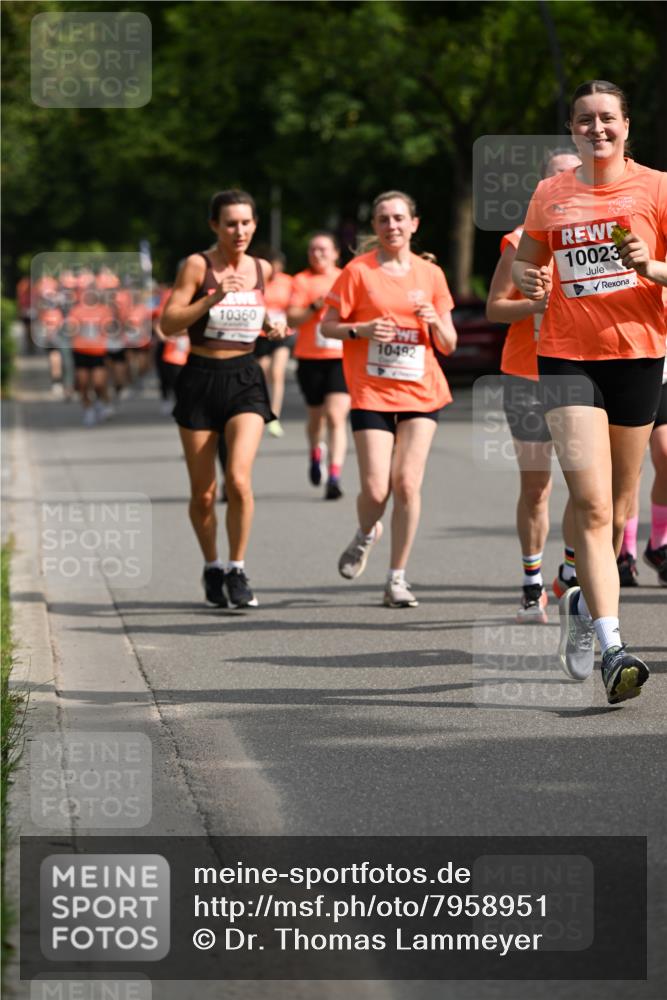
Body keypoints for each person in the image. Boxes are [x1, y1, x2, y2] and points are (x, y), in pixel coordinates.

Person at [512, 79, 667, 704]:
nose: (596, 128)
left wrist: (651, 267)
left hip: (637, 354)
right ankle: (613, 646)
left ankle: (579, 601)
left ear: (627, 126)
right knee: (595, 506)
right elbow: (527, 261)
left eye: (607, 118)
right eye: (584, 119)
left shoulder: (657, 187)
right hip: (566, 358)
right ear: (572, 129)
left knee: (620, 508)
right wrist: (530, 281)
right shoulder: (551, 192)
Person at [320, 190, 457, 606]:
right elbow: (327, 327)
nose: (392, 226)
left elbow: (449, 345)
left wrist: (434, 322)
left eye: (399, 218)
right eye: (383, 219)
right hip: (371, 391)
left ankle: (397, 578)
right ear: (375, 227)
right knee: (377, 490)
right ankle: (367, 532)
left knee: (407, 484)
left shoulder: (430, 275)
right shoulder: (357, 273)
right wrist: (360, 331)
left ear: (414, 224)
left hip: (421, 389)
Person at [161, 189, 288, 609]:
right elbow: (168, 323)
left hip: (245, 379)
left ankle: (237, 568)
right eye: (231, 223)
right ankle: (212, 565)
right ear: (215, 225)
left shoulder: (262, 268)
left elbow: (259, 314)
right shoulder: (198, 265)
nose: (240, 231)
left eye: (247, 223)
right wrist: (213, 296)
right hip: (200, 378)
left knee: (238, 479)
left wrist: (271, 325)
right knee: (203, 493)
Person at [487, 149, 581, 623]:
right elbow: (494, 308)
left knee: (585, 486)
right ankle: (531, 583)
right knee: (538, 487)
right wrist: (537, 308)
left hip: (581, 371)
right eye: (558, 174)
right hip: (527, 373)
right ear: (544, 186)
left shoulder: (597, 238)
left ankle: (569, 572)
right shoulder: (519, 239)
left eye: (574, 172)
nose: (568, 180)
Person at [287, 232, 349, 499]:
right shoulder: (301, 280)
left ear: (335, 253)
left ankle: (334, 476)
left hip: (341, 358)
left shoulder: (347, 276)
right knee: (315, 418)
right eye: (313, 250)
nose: (317, 254)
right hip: (310, 358)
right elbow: (292, 319)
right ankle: (316, 452)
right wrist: (315, 305)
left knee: (336, 416)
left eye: (323, 249)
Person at [254, 251, 295, 437]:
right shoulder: (256, 281)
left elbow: (294, 306)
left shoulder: (288, 282)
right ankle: (262, 408)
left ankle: (274, 416)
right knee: (263, 370)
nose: (274, 269)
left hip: (283, 332)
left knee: (277, 372)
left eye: (277, 265)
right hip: (262, 334)